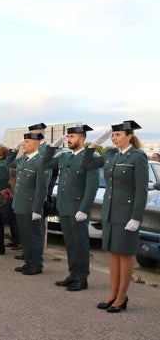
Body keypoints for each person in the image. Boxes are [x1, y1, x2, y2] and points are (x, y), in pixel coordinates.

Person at [82, 120, 148, 312]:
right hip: (110, 212)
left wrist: (136, 217)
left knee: (125, 255)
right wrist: (94, 144)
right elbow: (87, 163)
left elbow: (141, 191)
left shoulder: (138, 157)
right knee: (113, 254)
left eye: (118, 134)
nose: (114, 138)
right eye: (112, 135)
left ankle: (121, 297)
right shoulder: (111, 155)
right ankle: (113, 293)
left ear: (129, 136)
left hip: (127, 215)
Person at [42, 125, 99, 291]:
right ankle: (73, 274)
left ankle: (82, 278)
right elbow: (45, 163)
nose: (69, 140)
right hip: (64, 206)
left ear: (81, 139)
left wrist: (84, 209)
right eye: (68, 137)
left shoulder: (91, 157)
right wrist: (52, 147)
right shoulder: (65, 157)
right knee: (70, 243)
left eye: (72, 137)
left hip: (78, 208)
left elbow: (92, 187)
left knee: (80, 244)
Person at [7, 131, 49, 275]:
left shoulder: (41, 161)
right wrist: (13, 151)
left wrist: (37, 209)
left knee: (34, 236)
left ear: (36, 144)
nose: (24, 144)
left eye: (27, 142)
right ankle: (28, 262)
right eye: (24, 141)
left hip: (31, 206)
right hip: (20, 204)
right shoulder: (24, 159)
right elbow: (9, 163)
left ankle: (36, 264)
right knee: (24, 235)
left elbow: (41, 188)